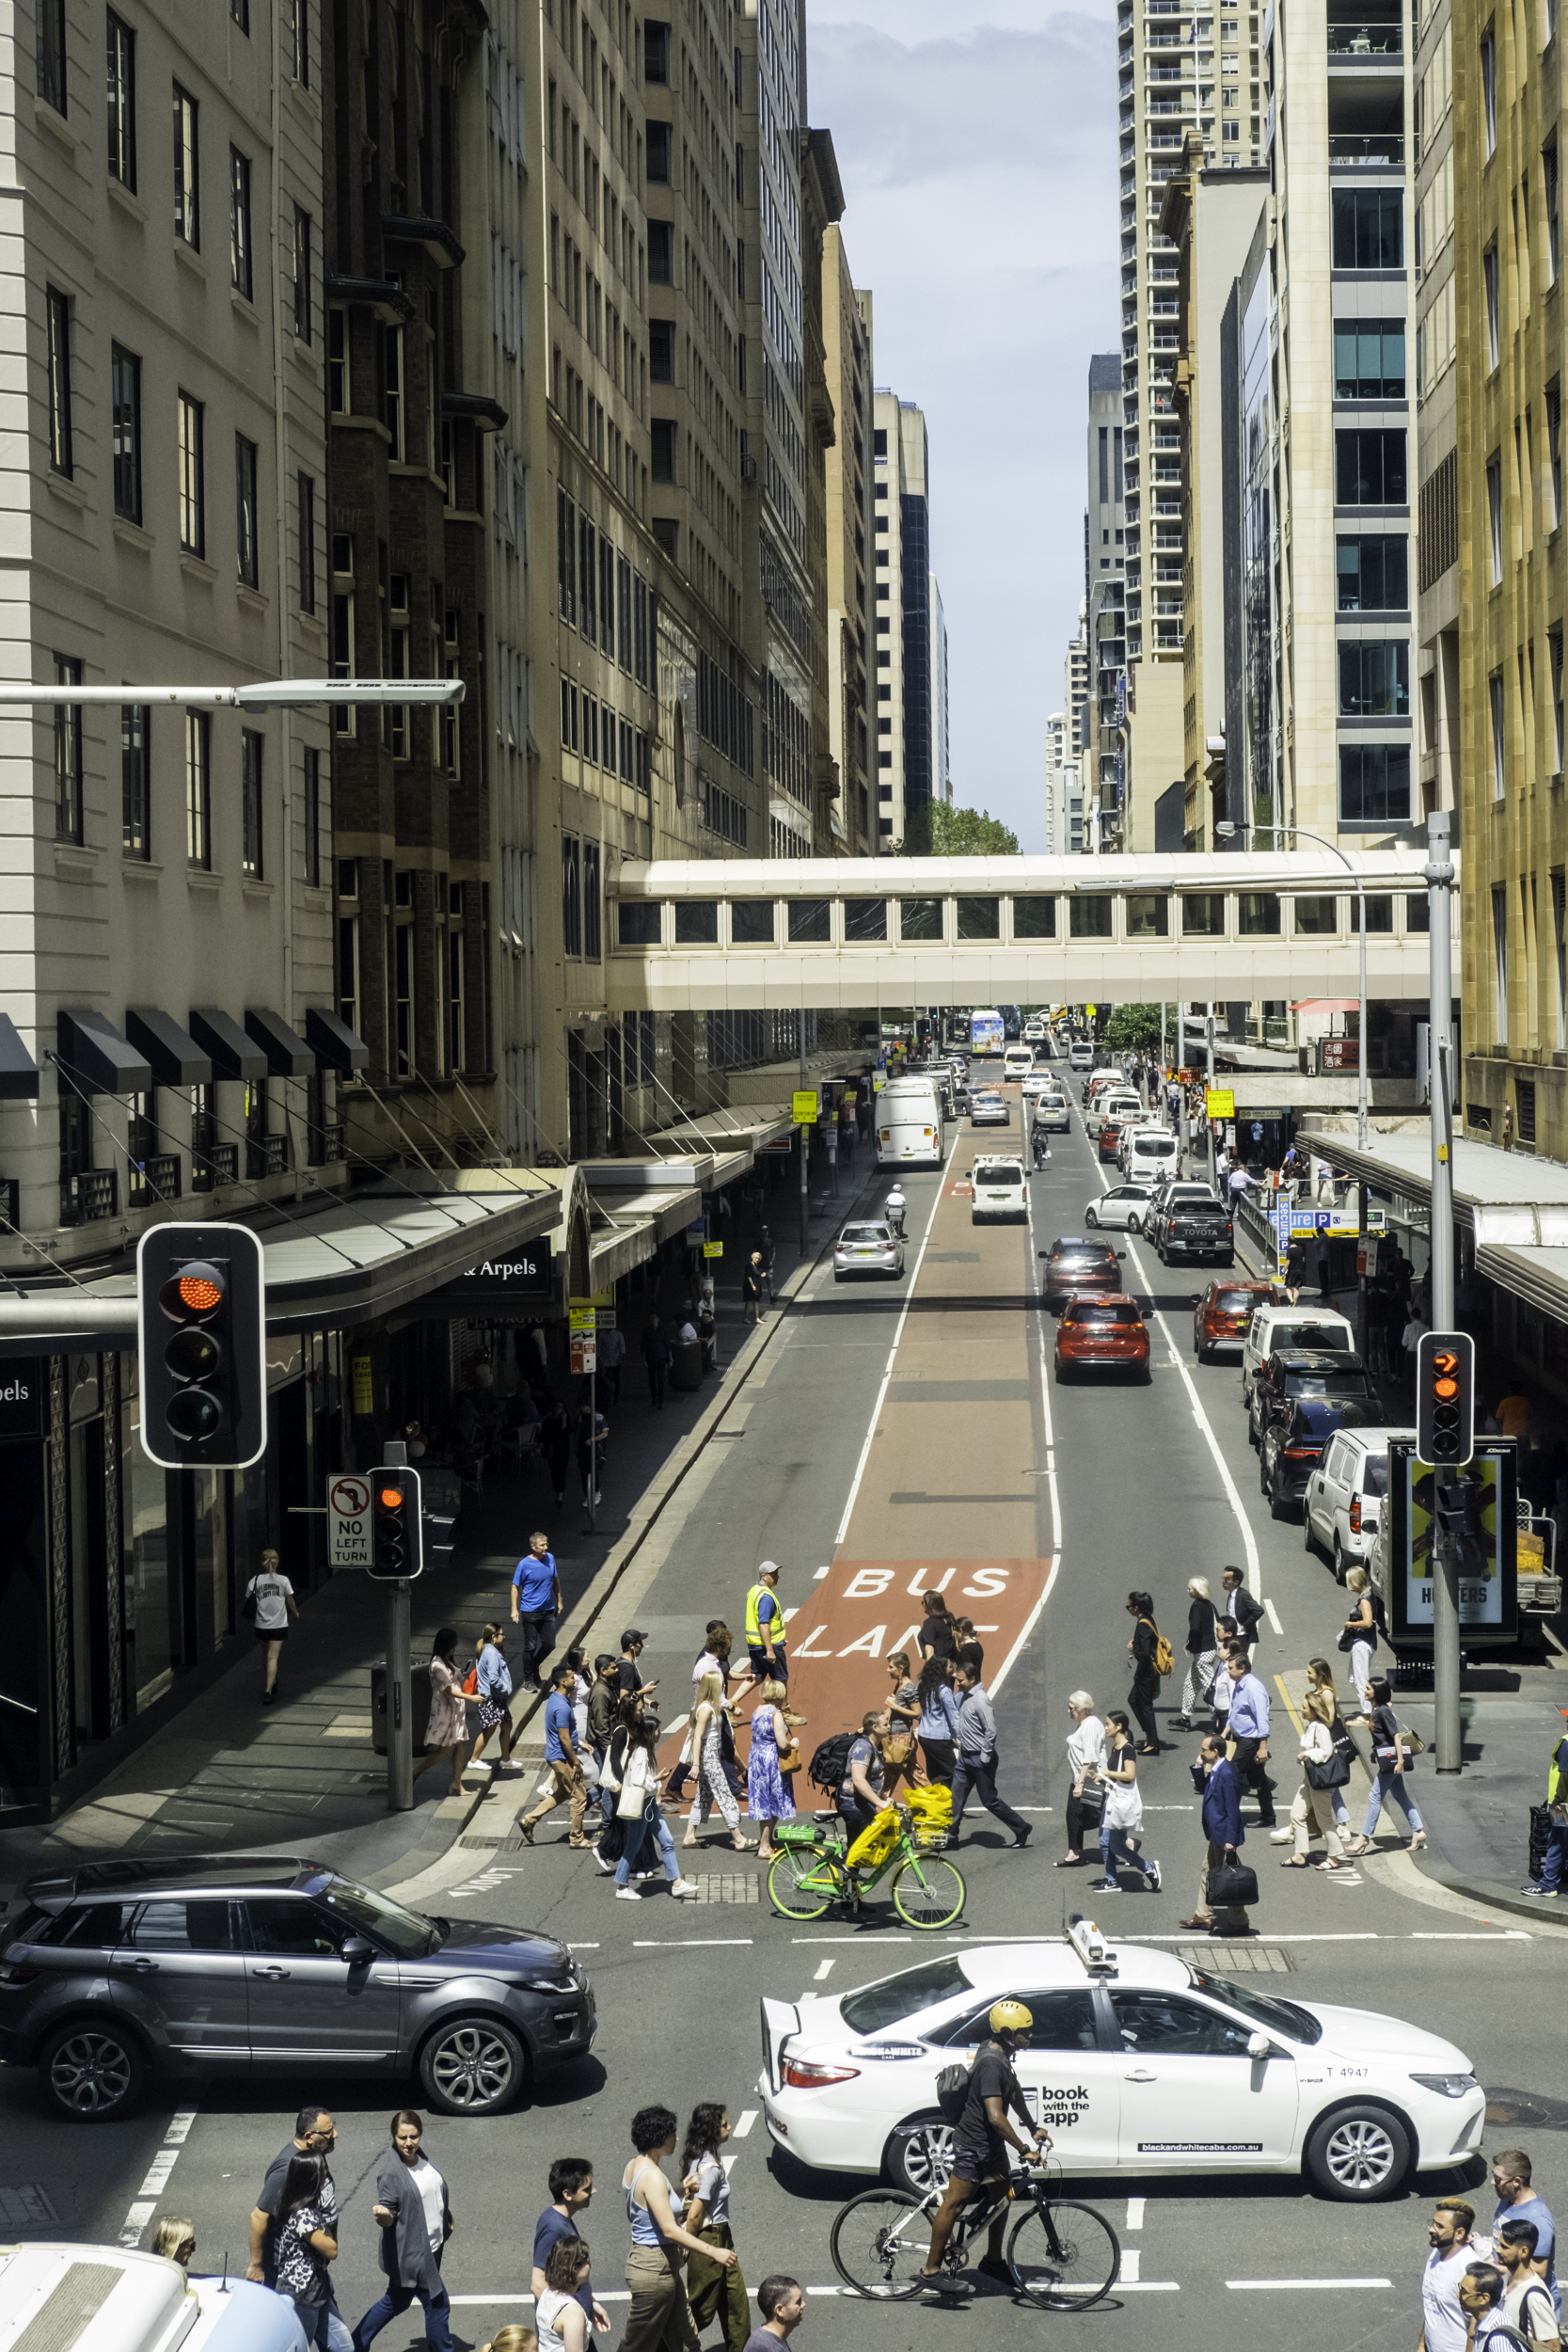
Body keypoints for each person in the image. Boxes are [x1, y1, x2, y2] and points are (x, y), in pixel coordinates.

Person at [917, 2000, 1050, 2295]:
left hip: (989, 2147)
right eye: (1024, 2032)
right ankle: (930, 2272)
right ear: (1006, 2032)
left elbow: (1013, 2092)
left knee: (1003, 2196)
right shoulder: (991, 2062)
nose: (1030, 2035)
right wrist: (1024, 2147)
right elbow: (995, 2115)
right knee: (954, 2203)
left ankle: (992, 2261)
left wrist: (1032, 2126)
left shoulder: (1002, 2053)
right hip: (974, 2146)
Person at [620, 2105, 736, 2352]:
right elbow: (670, 2229)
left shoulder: (636, 2166)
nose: (677, 2138)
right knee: (637, 2345)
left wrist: (681, 2189)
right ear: (658, 2138)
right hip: (653, 2269)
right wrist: (713, 2251)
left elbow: (646, 2207)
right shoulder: (651, 2175)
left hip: (660, 2264)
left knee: (686, 2338)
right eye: (672, 2133)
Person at [248, 2106, 350, 2352]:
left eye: (333, 2127)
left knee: (342, 2346)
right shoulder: (287, 2169)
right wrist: (256, 2265)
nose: (335, 2134)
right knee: (297, 2343)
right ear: (309, 2136)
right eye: (328, 2132)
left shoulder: (312, 2156)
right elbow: (258, 2216)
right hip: (296, 2281)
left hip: (316, 2273)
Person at [353, 2111, 453, 2352]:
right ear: (393, 2136)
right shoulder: (391, 2172)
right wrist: (384, 2217)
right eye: (402, 2138)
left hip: (432, 2247)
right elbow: (389, 2215)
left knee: (396, 2299)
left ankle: (353, 2345)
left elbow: (432, 2191)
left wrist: (445, 2219)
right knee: (438, 2305)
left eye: (413, 2136)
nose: (408, 2143)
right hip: (414, 2255)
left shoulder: (419, 2158)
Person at [611, 1705, 699, 1900]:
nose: (660, 1733)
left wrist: (655, 1779)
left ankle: (676, 1883)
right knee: (633, 1846)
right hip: (642, 1805)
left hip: (648, 1805)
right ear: (651, 1732)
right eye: (658, 1730)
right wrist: (657, 1779)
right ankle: (622, 1886)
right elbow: (638, 1781)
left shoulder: (645, 1750)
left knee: (667, 1841)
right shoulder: (641, 1753)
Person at [681, 2104, 749, 2352]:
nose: (729, 2127)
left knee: (736, 2303)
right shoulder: (709, 2168)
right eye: (724, 2125)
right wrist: (689, 2244)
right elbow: (696, 2213)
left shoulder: (705, 2159)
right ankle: (666, 2344)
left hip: (722, 2236)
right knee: (701, 2307)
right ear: (711, 2131)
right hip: (709, 2239)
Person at [948, 1661, 1029, 1846]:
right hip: (964, 1758)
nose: (957, 1683)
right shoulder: (962, 1696)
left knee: (989, 1801)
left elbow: (990, 1731)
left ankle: (1021, 1827)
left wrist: (984, 1758)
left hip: (980, 1759)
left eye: (960, 1680)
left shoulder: (981, 1699)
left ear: (972, 1679)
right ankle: (951, 1838)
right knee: (956, 1798)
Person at [1345, 1674, 1426, 1852]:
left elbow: (1396, 1736)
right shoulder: (1378, 1710)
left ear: (1377, 1692)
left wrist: (1400, 1761)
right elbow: (1382, 1737)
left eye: (1368, 1688)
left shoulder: (1383, 1711)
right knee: (1400, 1796)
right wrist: (1376, 1753)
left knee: (1374, 1797)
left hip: (1392, 1762)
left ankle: (1364, 1837)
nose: (1365, 1691)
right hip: (1387, 1758)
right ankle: (1418, 1831)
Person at [1179, 1732, 1250, 1933]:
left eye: (1204, 1750)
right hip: (1216, 1834)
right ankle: (1204, 1915)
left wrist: (1230, 1840)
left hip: (1223, 1836)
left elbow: (1232, 1808)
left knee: (1228, 1877)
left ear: (1215, 1751)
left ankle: (1239, 1920)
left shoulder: (1227, 1773)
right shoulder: (1217, 1769)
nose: (1200, 1752)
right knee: (1210, 1871)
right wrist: (1199, 1767)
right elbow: (1203, 1788)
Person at [532, 2157, 610, 2339]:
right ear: (568, 2194)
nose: (594, 2191)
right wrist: (568, 2318)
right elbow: (538, 2283)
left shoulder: (560, 2219)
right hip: (565, 2333)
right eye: (587, 2189)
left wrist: (590, 2303)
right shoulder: (553, 2228)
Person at [682, 1670, 753, 1852]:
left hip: (711, 1757)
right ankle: (738, 1839)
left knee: (704, 1796)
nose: (724, 1686)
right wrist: (696, 1765)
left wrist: (733, 1708)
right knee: (724, 1794)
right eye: (721, 1683)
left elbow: (725, 1707)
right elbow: (697, 1737)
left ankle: (690, 1836)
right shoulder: (706, 1708)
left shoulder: (712, 1705)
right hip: (709, 1759)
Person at [1280, 1687, 1350, 1870]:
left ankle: (1334, 1858)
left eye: (1304, 1707)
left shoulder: (1320, 1728)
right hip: (1310, 1779)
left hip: (1322, 1782)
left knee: (1324, 1820)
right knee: (1297, 1814)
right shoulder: (1311, 1726)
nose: (1301, 1710)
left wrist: (1306, 1754)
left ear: (1313, 1710)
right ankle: (1300, 1854)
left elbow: (1326, 1752)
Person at [521, 1662, 590, 1848]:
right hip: (562, 1758)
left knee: (563, 1792)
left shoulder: (556, 1699)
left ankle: (529, 1820)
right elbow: (564, 1737)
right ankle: (577, 1838)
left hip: (556, 1756)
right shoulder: (562, 1707)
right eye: (571, 1677)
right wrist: (575, 1762)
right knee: (579, 1796)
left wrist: (580, 1744)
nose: (575, 1680)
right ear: (562, 1681)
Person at [274, 2154, 339, 2347]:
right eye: (322, 2171)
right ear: (311, 2177)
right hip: (301, 2295)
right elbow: (332, 2251)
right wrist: (328, 2224)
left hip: (318, 2289)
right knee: (302, 2346)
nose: (326, 2175)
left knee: (343, 2346)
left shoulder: (307, 2207)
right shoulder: (303, 2216)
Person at [1091, 1709, 1160, 1892]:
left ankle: (1147, 1868)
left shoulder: (1127, 1749)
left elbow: (1130, 1775)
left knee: (1113, 1844)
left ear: (1119, 1726)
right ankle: (1111, 1879)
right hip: (1112, 1799)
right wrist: (1100, 1776)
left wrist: (1108, 1772)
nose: (1105, 1728)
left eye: (1108, 1724)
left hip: (1120, 1803)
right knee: (1107, 1842)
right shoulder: (1115, 1748)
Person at [1493, 2151, 1560, 2306]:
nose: (1492, 2182)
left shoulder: (1537, 2219)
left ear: (1516, 2181)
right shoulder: (1506, 2200)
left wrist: (1497, 2270)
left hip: (1530, 2303)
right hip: (1509, 2292)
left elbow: (1539, 2270)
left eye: (1497, 2179)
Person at [412, 1628, 469, 1799]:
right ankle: (414, 1774)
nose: (455, 1648)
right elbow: (449, 1690)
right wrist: (471, 1697)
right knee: (446, 1749)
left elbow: (454, 1679)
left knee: (461, 1744)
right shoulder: (437, 1665)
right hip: (445, 1712)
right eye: (453, 1644)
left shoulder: (447, 1661)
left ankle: (457, 1783)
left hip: (456, 1711)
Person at [747, 1677, 800, 1860]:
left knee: (763, 1801)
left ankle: (767, 1839)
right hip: (771, 1760)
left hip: (756, 1758)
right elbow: (782, 1743)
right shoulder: (775, 1713)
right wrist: (792, 1743)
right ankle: (764, 1845)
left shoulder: (757, 1710)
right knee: (773, 1801)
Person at [1224, 1645, 1277, 1826]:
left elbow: (1262, 1720)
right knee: (1259, 1779)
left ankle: (1230, 1816)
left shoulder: (1253, 1688)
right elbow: (1236, 1712)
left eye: (1231, 1667)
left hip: (1250, 1742)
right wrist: (1225, 1732)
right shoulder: (1240, 1685)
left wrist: (1263, 1748)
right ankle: (1269, 1817)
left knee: (1232, 1774)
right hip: (1241, 1738)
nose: (1228, 1670)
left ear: (1242, 1668)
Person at [1418, 2201, 1480, 2352]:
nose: (1432, 2229)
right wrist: (1421, 2345)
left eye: (1439, 2226)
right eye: (1433, 2223)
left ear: (1459, 2233)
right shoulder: (1434, 2254)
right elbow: (1431, 2306)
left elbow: (1476, 2322)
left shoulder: (1469, 2269)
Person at [245, 1548, 299, 1708]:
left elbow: (248, 1598)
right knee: (273, 1657)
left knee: (266, 1655)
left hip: (261, 1625)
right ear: (277, 1562)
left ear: (262, 1562)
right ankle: (268, 1690)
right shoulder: (283, 1580)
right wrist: (295, 1612)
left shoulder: (255, 1581)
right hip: (278, 1625)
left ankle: (273, 1680)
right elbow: (290, 1601)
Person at [1495, 2223, 1562, 2348]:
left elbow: (1553, 2347)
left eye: (1504, 2247)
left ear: (1524, 2252)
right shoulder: (1504, 2280)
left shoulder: (1535, 2296)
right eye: (1499, 2244)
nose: (1497, 2249)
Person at [511, 1531, 562, 1693]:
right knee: (530, 1647)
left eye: (546, 1544)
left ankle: (532, 1667)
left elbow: (555, 1580)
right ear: (533, 1547)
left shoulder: (550, 1559)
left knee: (549, 1644)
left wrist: (559, 1599)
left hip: (548, 1611)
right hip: (530, 1612)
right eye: (542, 1545)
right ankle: (529, 1680)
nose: (545, 1547)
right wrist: (514, 1608)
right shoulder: (524, 1564)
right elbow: (515, 1587)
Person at [1059, 1691, 1106, 1867]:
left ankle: (1127, 1844)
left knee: (1095, 1816)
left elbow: (1090, 1757)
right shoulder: (1085, 1724)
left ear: (1081, 1709)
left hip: (1089, 1779)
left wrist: (1079, 1784)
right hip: (1082, 1778)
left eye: (1071, 1708)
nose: (1068, 1711)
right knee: (1075, 1815)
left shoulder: (1089, 1725)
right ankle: (1074, 1853)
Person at [468, 1625, 515, 1781]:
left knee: (507, 1725)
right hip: (491, 1698)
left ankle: (505, 1758)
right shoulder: (491, 1654)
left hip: (496, 1698)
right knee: (488, 1731)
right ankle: (474, 1760)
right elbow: (494, 1678)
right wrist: (506, 1689)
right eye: (501, 1634)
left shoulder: (490, 1652)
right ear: (494, 1637)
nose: (504, 1637)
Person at [1175, 1576, 1220, 1731]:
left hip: (1203, 1653)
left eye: (1190, 1588)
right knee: (1191, 1683)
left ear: (1196, 1590)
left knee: (1208, 1686)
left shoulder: (1196, 1606)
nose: (1188, 1591)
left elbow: (1195, 1628)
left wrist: (1191, 1643)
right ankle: (1185, 1719)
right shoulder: (1209, 1605)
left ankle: (1221, 1717)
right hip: (1209, 1650)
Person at [535, 2236, 594, 2352]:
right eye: (586, 2261)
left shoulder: (548, 2293)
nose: (590, 2265)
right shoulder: (572, 2312)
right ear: (574, 2269)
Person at [837, 1710, 888, 1836]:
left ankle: (847, 1856)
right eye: (885, 1724)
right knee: (868, 1844)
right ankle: (843, 1857)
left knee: (862, 1847)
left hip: (862, 1803)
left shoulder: (876, 1746)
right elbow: (858, 1780)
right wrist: (879, 1802)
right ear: (875, 1728)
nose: (889, 1726)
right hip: (853, 1804)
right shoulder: (863, 1747)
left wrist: (883, 1798)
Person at [1125, 1590, 1163, 1756]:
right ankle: (1150, 1736)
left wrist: (1135, 1649)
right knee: (1133, 1700)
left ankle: (1153, 1743)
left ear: (1137, 1607)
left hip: (1147, 1673)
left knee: (1145, 1706)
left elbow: (1144, 1654)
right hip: (1148, 1672)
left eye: (1129, 1606)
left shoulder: (1142, 1625)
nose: (1128, 1609)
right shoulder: (1148, 1619)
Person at [915, 1655, 962, 1785]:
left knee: (935, 1771)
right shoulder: (944, 1691)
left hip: (924, 1736)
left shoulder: (922, 1686)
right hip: (939, 1738)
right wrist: (962, 1738)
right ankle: (951, 1801)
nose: (952, 1667)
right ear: (941, 1670)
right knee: (954, 1771)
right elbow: (954, 1717)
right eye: (949, 1666)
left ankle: (939, 1800)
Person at [882, 1652, 923, 1792]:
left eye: (891, 1667)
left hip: (901, 1740)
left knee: (888, 1779)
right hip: (897, 1738)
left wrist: (894, 1706)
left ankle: (880, 1808)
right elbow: (890, 1711)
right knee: (915, 1776)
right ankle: (936, 1804)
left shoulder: (909, 1688)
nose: (888, 1670)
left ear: (901, 1668)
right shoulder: (899, 1686)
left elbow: (917, 1713)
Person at [743, 1562, 788, 1683]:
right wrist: (770, 1650)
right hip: (768, 1645)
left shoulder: (754, 1591)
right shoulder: (766, 1596)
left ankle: (733, 1700)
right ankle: (783, 1703)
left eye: (777, 1574)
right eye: (773, 1574)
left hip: (755, 1644)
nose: (777, 1577)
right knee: (781, 1678)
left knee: (756, 1676)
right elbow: (763, 1623)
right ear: (764, 1576)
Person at [1340, 1565, 1379, 1700]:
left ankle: (1367, 1714)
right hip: (1364, 1641)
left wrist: (1349, 1623)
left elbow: (1367, 1622)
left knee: (1361, 1679)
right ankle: (1373, 1704)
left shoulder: (1364, 1600)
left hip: (1362, 1643)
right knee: (1353, 1677)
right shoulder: (1367, 1596)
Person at [744, 2278, 805, 2350]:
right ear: (780, 2310)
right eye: (798, 2302)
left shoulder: (772, 2340)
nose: (803, 2304)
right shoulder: (766, 2347)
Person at [1219, 1565, 1262, 1656]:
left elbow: (1259, 1610)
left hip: (1241, 1636)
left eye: (1227, 1579)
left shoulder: (1243, 1595)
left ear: (1236, 1582)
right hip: (1233, 1636)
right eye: (1223, 1578)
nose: (1224, 1581)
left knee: (1238, 1662)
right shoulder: (1232, 1594)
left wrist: (1245, 1625)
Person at [574, 1398, 607, 1508]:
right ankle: (587, 1496)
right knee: (583, 1472)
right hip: (582, 1449)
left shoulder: (598, 1417)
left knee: (592, 1470)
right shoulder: (579, 1417)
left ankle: (597, 1492)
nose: (582, 1408)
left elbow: (605, 1433)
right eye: (581, 1406)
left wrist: (593, 1439)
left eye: (584, 1406)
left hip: (594, 1449)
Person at [540, 1400, 573, 1507]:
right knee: (554, 1471)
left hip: (562, 1449)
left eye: (560, 1407)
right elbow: (543, 1433)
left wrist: (564, 1419)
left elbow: (566, 1431)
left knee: (561, 1471)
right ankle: (558, 1492)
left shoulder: (565, 1418)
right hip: (552, 1449)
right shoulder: (548, 1420)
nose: (558, 1409)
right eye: (556, 1407)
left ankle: (560, 1495)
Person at [917, 1590, 956, 1665]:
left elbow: (930, 1648)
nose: (923, 1604)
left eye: (923, 1602)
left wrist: (929, 1671)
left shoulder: (929, 1623)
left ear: (929, 1605)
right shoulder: (950, 1617)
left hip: (939, 1666)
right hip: (951, 1663)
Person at [641, 1313, 673, 1410]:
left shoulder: (663, 1331)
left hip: (661, 1358)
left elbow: (667, 1346)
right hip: (651, 1358)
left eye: (654, 1318)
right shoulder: (646, 1331)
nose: (653, 1320)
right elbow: (643, 1347)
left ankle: (660, 1401)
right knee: (652, 1380)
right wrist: (644, 1360)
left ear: (658, 1319)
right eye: (651, 1318)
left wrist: (670, 1359)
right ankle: (654, 1398)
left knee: (660, 1380)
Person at [597, 1320, 626, 1406]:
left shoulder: (618, 1334)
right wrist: (599, 1359)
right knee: (605, 1379)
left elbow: (622, 1346)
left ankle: (616, 1398)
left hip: (615, 1362)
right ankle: (606, 1397)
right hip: (605, 1362)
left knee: (616, 1380)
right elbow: (599, 1347)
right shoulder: (602, 1335)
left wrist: (620, 1357)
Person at [742, 1253, 764, 1327]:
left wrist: (761, 1275)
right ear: (752, 1257)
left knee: (756, 1302)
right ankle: (746, 1318)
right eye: (756, 1258)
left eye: (758, 1258)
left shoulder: (756, 1266)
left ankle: (757, 1318)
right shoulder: (749, 1265)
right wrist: (752, 1285)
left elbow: (756, 1275)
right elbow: (749, 1276)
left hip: (757, 1286)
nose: (757, 1259)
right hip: (750, 1287)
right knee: (748, 1302)